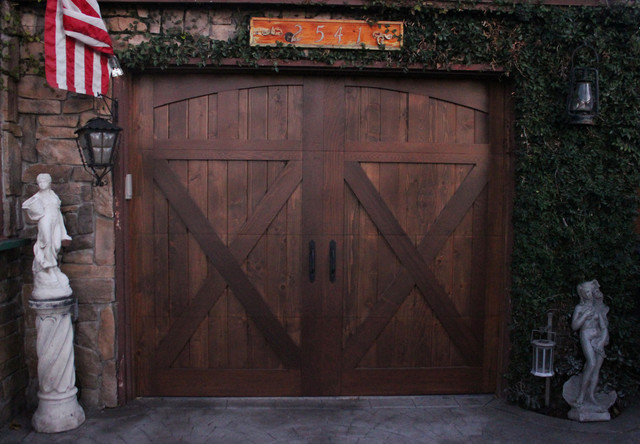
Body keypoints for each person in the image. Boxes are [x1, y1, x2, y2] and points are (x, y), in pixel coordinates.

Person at [22, 173, 72, 281]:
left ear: (49, 183)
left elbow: (58, 212)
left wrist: (64, 232)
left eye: (44, 181)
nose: (41, 184)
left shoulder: (53, 195)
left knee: (57, 244)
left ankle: (52, 266)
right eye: (39, 182)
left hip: (56, 221)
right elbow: (26, 205)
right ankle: (50, 269)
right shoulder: (37, 197)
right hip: (45, 220)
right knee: (47, 243)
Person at [571, 280, 608, 407]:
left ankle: (591, 395)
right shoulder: (580, 308)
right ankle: (581, 396)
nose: (589, 294)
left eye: (590, 291)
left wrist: (602, 340)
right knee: (591, 363)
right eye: (586, 291)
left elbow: (604, 327)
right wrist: (584, 315)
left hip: (598, 338)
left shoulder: (597, 307)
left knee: (596, 367)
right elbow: (575, 326)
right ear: (582, 294)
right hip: (586, 336)